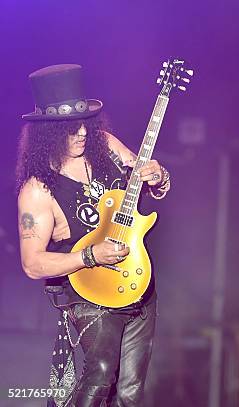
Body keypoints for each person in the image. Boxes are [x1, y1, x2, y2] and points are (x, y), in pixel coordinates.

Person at [16, 64, 170, 406]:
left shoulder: (106, 145)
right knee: (100, 373)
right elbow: (32, 263)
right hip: (88, 293)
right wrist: (90, 256)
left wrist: (159, 177)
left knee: (130, 392)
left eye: (87, 123)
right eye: (72, 128)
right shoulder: (39, 190)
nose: (83, 133)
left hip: (137, 279)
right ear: (49, 133)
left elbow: (146, 180)